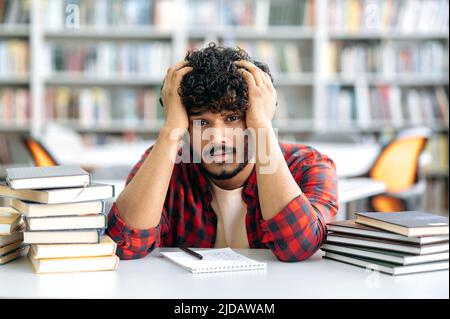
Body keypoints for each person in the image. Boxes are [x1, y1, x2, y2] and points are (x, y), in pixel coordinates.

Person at [106, 42, 338, 262]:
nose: (217, 138)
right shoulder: (165, 164)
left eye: (233, 118)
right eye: (201, 122)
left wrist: (262, 125)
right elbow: (123, 243)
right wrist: (171, 129)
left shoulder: (308, 166)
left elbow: (298, 246)